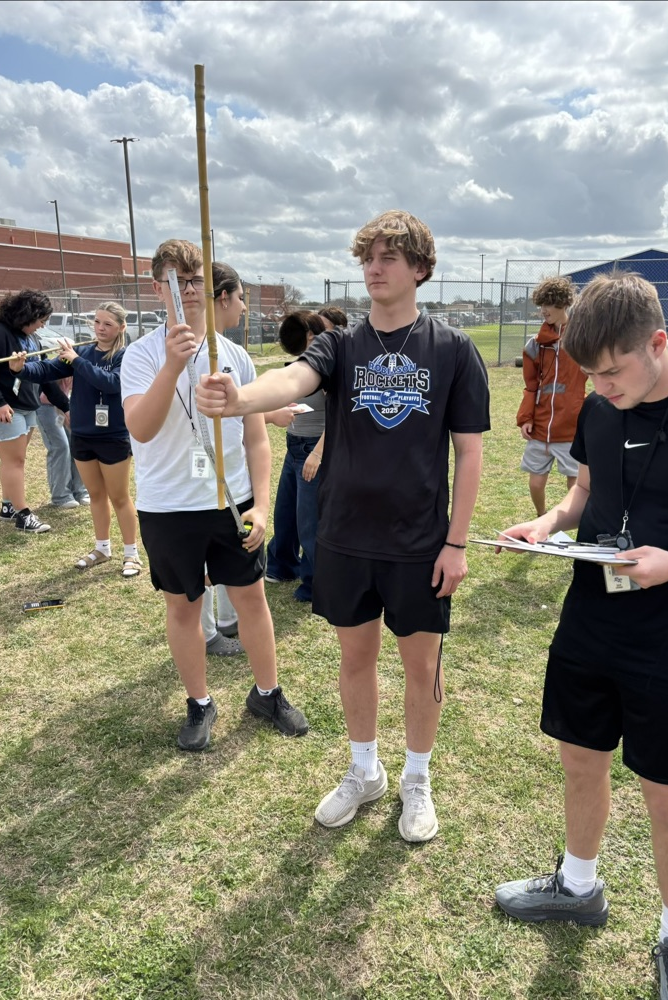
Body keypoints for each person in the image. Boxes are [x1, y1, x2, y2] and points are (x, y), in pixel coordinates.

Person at [196, 210, 490, 840]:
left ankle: (416, 778)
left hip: (419, 543)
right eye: (367, 258)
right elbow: (292, 378)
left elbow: (469, 453)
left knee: (421, 666)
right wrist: (240, 398)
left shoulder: (454, 350)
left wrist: (457, 543)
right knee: (355, 660)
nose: (373, 268)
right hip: (345, 537)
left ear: (420, 269)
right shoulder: (341, 344)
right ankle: (364, 770)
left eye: (388, 257)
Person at [494, 273, 668, 1000]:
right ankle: (578, 885)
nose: (603, 385)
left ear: (658, 343)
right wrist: (547, 524)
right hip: (591, 623)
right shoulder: (596, 408)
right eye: (591, 374)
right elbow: (585, 491)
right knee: (580, 763)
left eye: (614, 370)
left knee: (666, 798)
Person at [120, 241, 308, 750]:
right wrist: (169, 367)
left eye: (195, 280)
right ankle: (199, 702)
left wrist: (263, 505)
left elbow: (255, 438)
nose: (187, 291)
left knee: (252, 597)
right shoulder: (139, 356)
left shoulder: (236, 356)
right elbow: (141, 428)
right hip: (168, 508)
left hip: (232, 502)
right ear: (157, 287)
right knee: (184, 605)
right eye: (175, 282)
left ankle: (267, 692)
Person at [10, 302, 141, 577]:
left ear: (121, 327)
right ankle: (102, 548)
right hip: (82, 435)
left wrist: (76, 360)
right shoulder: (81, 351)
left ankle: (131, 553)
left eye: (107, 324)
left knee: (119, 497)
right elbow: (46, 372)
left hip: (113, 437)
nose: (100, 328)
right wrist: (20, 369)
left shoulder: (126, 356)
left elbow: (110, 383)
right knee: (95, 495)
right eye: (96, 322)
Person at [0, 289, 57, 533]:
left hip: (25, 404)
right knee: (15, 460)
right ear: (28, 316)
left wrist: (64, 405)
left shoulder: (31, 338)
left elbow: (44, 373)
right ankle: (24, 515)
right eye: (41, 321)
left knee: (13, 459)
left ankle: (9, 506)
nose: (42, 326)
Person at [264, 311, 327, 603]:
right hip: (294, 445)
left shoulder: (326, 366)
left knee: (309, 522)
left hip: (313, 449)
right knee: (285, 512)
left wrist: (317, 453)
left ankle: (316, 583)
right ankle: (281, 566)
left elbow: (341, 416)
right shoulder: (299, 364)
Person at [516, 276, 587, 516]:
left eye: (548, 304)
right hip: (541, 427)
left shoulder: (582, 341)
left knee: (574, 482)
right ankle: (541, 517)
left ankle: (569, 522)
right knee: (536, 482)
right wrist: (526, 418)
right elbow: (531, 386)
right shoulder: (536, 344)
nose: (543, 311)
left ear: (563, 304)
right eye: (541, 305)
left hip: (570, 427)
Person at [35, 380, 90, 509]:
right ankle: (61, 496)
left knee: (76, 443)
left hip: (66, 402)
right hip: (46, 404)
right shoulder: (61, 364)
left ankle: (80, 491)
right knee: (60, 446)